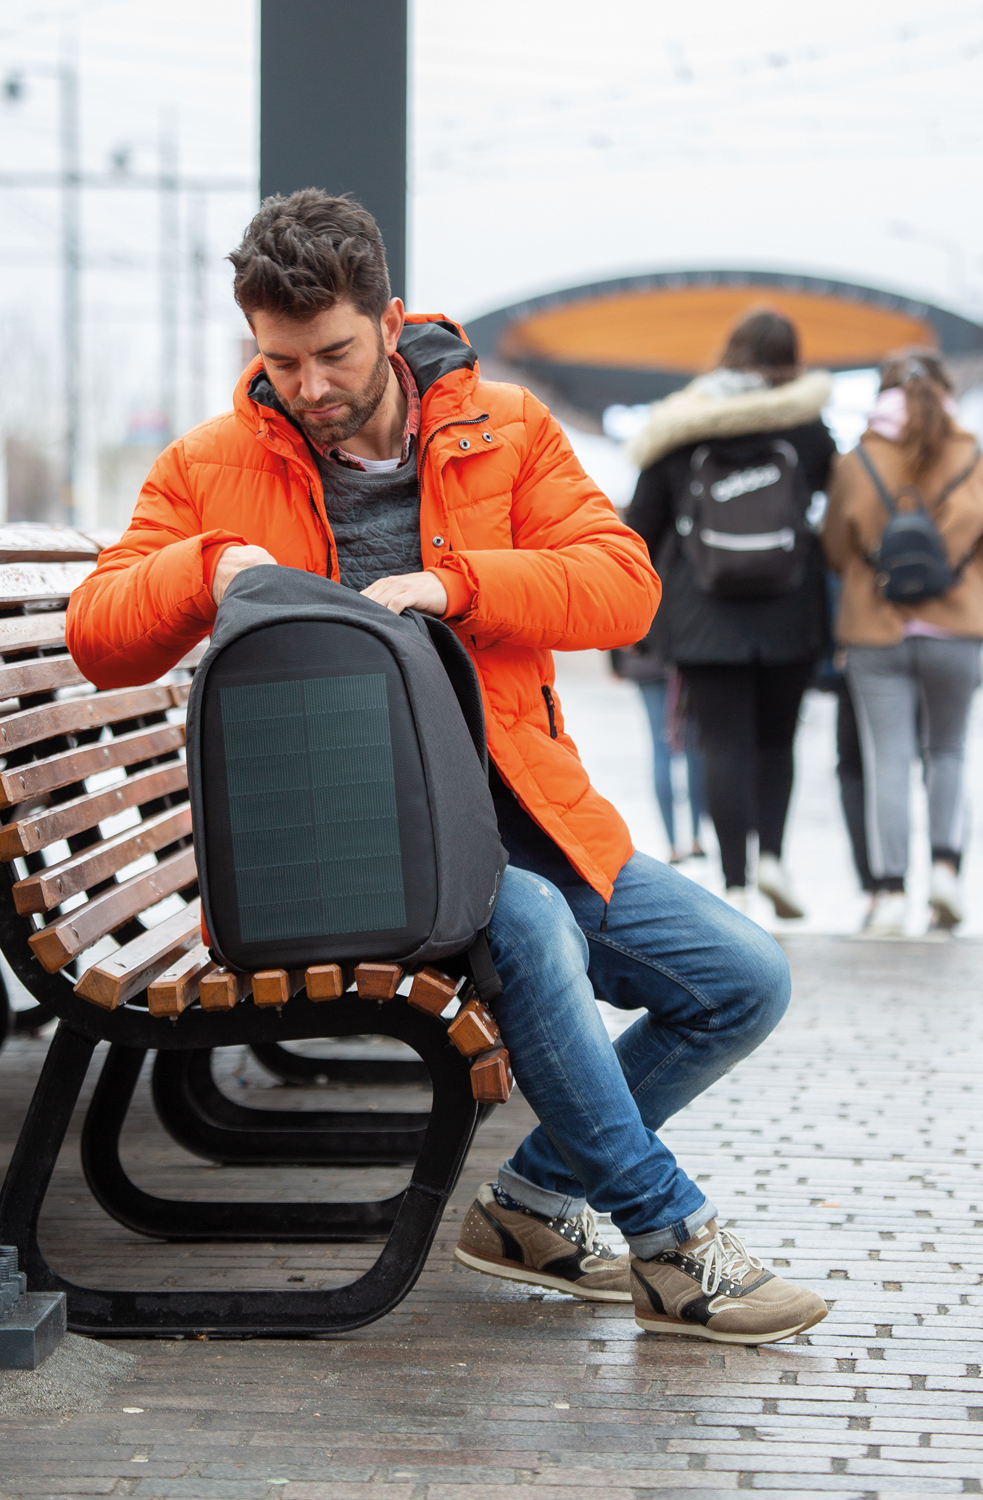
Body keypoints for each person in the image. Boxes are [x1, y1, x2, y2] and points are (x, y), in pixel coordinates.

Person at [67, 192, 826, 1345]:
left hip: (524, 815)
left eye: (333, 354)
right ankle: (670, 1242)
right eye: (281, 361)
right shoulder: (209, 466)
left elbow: (623, 587)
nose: (309, 387)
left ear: (387, 321)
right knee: (528, 926)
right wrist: (204, 567)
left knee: (741, 980)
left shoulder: (503, 429)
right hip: (344, 856)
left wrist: (453, 584)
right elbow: (98, 635)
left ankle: (529, 1206)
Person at [626, 309, 836, 918]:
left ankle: (737, 882)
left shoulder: (681, 429)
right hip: (789, 608)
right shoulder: (807, 428)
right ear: (791, 359)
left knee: (722, 744)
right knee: (776, 741)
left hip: (703, 615)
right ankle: (772, 858)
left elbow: (641, 527)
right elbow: (834, 507)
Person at [823, 350, 983, 937]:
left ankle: (890, 893)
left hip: (875, 629)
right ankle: (945, 869)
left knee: (886, 758)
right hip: (957, 627)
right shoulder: (971, 454)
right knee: (948, 751)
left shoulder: (857, 459)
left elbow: (835, 548)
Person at [611, 630, 706, 864]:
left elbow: (615, 613)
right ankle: (696, 838)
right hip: (686, 654)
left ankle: (672, 846)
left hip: (644, 657)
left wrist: (615, 659)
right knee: (693, 747)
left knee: (661, 749)